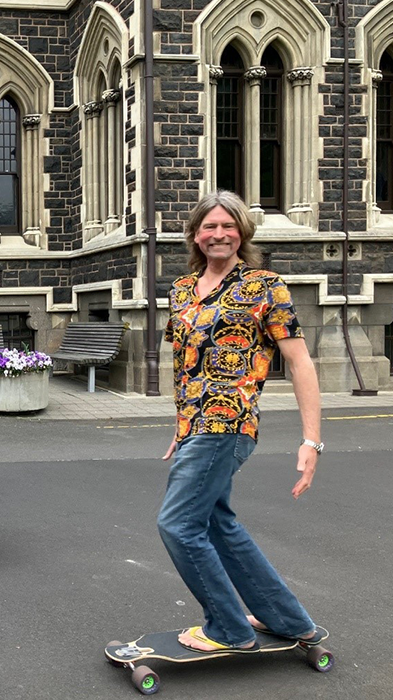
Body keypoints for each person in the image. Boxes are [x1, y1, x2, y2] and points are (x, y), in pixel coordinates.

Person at [159, 190, 325, 653]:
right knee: (215, 523)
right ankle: (288, 619)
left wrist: (311, 442)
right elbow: (185, 363)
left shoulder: (264, 286)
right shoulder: (182, 290)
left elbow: (300, 363)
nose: (219, 234)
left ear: (242, 233)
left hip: (228, 424)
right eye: (209, 226)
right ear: (195, 234)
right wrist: (180, 424)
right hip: (196, 426)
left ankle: (228, 628)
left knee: (178, 524)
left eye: (228, 226)